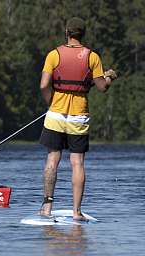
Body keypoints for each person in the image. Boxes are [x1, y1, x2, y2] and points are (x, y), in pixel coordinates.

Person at [38, 17, 117, 220]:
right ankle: (76, 212)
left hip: (55, 115)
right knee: (77, 163)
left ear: (67, 32)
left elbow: (43, 85)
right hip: (78, 117)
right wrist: (109, 77)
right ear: (83, 34)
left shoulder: (53, 55)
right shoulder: (92, 57)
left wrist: (51, 103)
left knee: (52, 159)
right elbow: (102, 87)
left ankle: (46, 208)